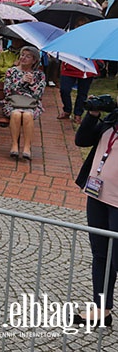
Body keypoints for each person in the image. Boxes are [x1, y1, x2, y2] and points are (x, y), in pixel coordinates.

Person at [72, 100, 118, 328]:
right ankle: (102, 309)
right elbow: (82, 140)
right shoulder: (111, 120)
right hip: (98, 197)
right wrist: (93, 113)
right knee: (101, 255)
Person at [2, 46, 46, 160]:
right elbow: (7, 92)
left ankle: (27, 147)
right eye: (22, 55)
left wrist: (32, 84)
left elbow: (39, 95)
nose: (24, 58)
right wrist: (21, 82)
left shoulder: (39, 75)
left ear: (34, 60)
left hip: (31, 104)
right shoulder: (11, 71)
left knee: (27, 115)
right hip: (13, 103)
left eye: (28, 56)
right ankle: (14, 145)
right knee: (16, 114)